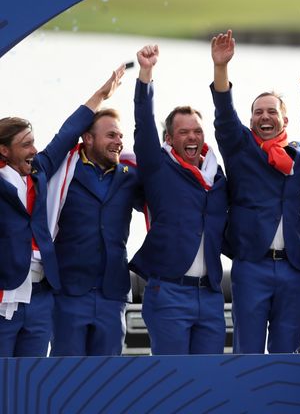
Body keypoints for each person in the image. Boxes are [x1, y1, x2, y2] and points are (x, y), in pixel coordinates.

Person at [0, 65, 125, 357]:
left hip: (41, 296)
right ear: (4, 151)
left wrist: (100, 95)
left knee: (33, 380)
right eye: (26, 144)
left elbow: (68, 133)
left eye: (33, 142)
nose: (34, 149)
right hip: (5, 294)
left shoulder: (39, 172)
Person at [210, 30, 300, 354]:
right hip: (252, 265)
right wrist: (221, 68)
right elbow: (225, 115)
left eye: (271, 112)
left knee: (289, 357)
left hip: (294, 269)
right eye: (258, 112)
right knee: (248, 355)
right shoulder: (240, 148)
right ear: (251, 119)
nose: (265, 116)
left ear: (285, 119)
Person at [131, 44, 228, 355]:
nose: (192, 138)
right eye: (183, 133)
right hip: (169, 292)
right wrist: (146, 75)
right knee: (173, 382)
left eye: (197, 131)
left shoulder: (217, 176)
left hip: (211, 296)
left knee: (207, 382)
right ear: (169, 140)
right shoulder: (158, 168)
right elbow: (144, 126)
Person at [49, 104, 143, 357]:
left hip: (112, 294)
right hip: (69, 292)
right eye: (111, 135)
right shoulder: (63, 172)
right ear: (88, 138)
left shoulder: (130, 176)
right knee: (66, 378)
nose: (118, 142)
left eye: (120, 136)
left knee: (106, 380)